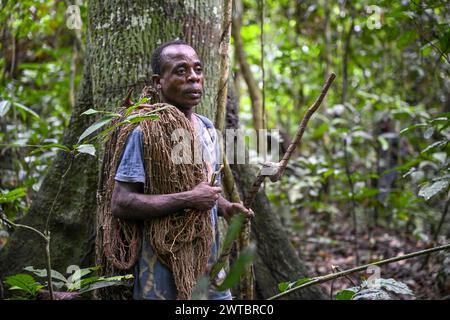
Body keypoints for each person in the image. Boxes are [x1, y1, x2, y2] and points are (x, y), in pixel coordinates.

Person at [110, 40, 250, 300]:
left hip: (208, 266)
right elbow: (121, 202)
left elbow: (205, 190)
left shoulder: (206, 129)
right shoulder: (145, 132)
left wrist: (225, 207)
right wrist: (189, 199)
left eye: (197, 69)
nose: (193, 78)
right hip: (161, 270)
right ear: (158, 81)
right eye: (181, 71)